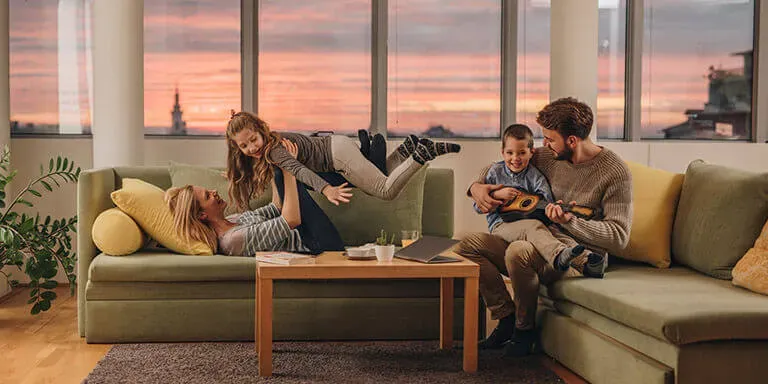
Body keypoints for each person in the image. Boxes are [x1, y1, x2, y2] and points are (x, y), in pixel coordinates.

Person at [457, 97, 632, 357]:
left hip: (575, 257)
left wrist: (570, 221)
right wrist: (476, 187)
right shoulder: (551, 156)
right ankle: (505, 318)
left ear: (572, 141)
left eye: (549, 139)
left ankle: (523, 331)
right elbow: (504, 165)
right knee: (465, 245)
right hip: (537, 240)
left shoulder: (615, 172)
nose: (544, 145)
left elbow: (619, 238)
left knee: (518, 251)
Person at [225, 110, 461, 210]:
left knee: (385, 191)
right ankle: (404, 151)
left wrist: (326, 189)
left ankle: (421, 156)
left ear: (260, 129)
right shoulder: (272, 144)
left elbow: (298, 170)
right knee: (379, 180)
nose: (251, 147)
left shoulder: (275, 149)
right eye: (244, 145)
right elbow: (280, 189)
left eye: (253, 139)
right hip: (336, 146)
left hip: (336, 155)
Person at [166, 154, 345, 256]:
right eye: (207, 196)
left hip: (314, 236)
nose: (214, 191)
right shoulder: (232, 240)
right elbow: (291, 219)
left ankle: (360, 169)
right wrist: (288, 168)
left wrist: (269, 166)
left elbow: (276, 207)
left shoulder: (233, 220)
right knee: (287, 170)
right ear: (202, 215)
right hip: (320, 247)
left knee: (279, 170)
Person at [477, 123, 596, 272]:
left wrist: (554, 209)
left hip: (533, 222)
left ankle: (589, 262)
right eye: (510, 153)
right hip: (501, 225)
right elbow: (479, 207)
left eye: (521, 153)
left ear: (531, 152)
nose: (515, 158)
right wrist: (496, 195)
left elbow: (545, 202)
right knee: (533, 226)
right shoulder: (495, 172)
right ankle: (558, 257)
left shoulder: (535, 176)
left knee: (554, 231)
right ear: (502, 153)